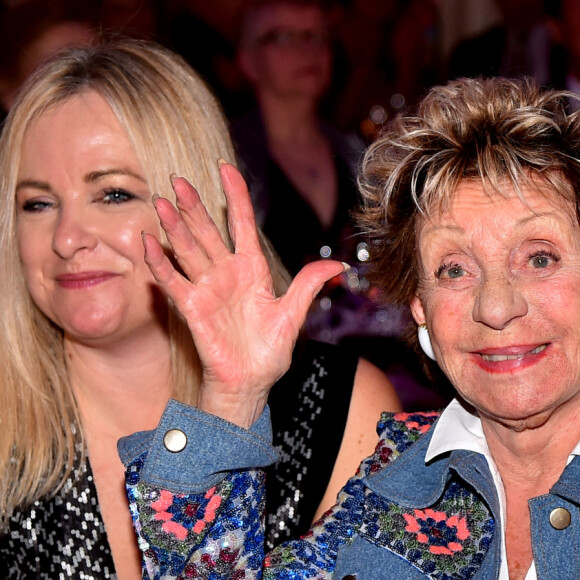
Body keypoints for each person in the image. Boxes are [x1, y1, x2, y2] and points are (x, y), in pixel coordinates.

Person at [120, 76, 580, 579]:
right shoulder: (392, 483)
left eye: (539, 257)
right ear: (419, 306)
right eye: (454, 268)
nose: (495, 307)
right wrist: (234, 397)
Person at [0, 39, 399, 578]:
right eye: (38, 204)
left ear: (200, 207)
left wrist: (234, 404)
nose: (67, 238)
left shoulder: (341, 409)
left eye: (114, 194)